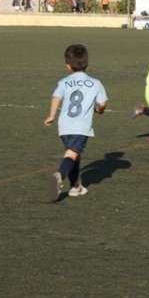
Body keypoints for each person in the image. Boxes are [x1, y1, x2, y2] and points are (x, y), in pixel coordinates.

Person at [44, 44, 108, 200]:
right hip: (81, 127)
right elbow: (102, 103)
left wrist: (51, 115)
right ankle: (60, 175)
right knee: (72, 154)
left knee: (73, 154)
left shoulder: (64, 82)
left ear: (68, 65)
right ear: (87, 63)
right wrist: (100, 109)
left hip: (64, 126)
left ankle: (75, 187)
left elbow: (56, 97)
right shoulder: (95, 83)